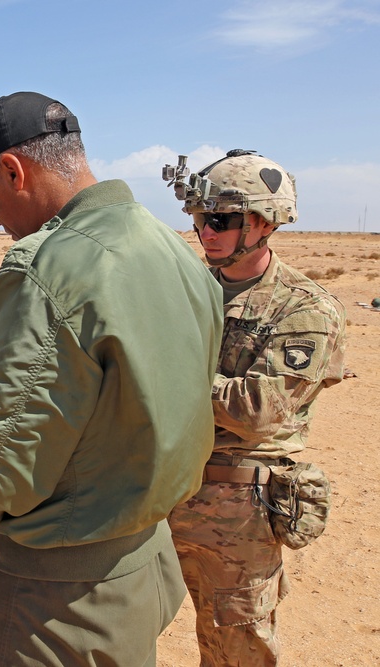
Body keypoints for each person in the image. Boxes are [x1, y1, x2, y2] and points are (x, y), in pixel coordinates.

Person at [0, 91, 224, 666]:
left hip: (61, 597)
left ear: (13, 170)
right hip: (143, 561)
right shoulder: (173, 250)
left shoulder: (47, 267)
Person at [163, 149, 347, 665]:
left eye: (220, 219)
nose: (206, 232)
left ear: (264, 222)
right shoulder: (189, 290)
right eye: (200, 219)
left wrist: (161, 377)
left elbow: (258, 408)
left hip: (237, 509)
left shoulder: (304, 307)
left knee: (235, 648)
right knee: (122, 621)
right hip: (161, 488)